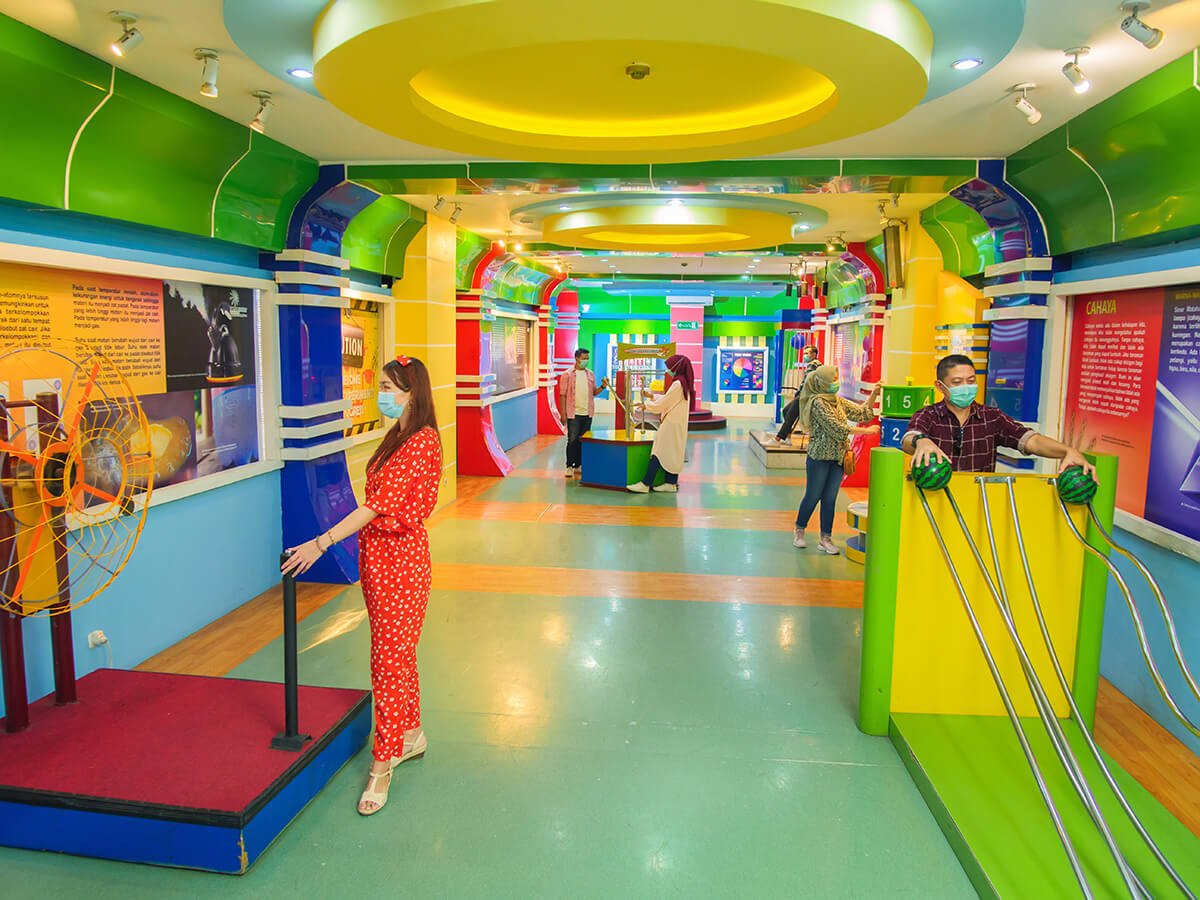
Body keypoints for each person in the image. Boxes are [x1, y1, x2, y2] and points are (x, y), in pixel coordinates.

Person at [281, 355, 441, 817]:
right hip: (380, 560)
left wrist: (321, 542)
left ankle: (383, 763)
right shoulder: (398, 435)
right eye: (383, 387)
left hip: (401, 562)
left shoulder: (422, 442)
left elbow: (375, 506)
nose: (383, 395)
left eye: (390, 387)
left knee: (388, 663)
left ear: (411, 392)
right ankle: (410, 734)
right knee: (396, 653)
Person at [903, 354, 1095, 475]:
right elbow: (909, 438)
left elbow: (1031, 440)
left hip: (980, 503)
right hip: (933, 501)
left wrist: (1067, 451)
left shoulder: (991, 417)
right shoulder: (928, 415)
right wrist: (921, 441)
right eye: (957, 382)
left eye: (971, 381)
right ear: (940, 386)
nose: (966, 387)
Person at [792, 366, 880, 553]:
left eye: (837, 378)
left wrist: (873, 395)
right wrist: (865, 431)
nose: (836, 382)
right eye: (833, 379)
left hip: (838, 457)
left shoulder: (837, 401)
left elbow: (860, 413)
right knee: (813, 495)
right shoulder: (817, 403)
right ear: (822, 382)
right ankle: (799, 530)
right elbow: (836, 427)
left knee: (830, 498)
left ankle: (825, 538)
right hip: (819, 457)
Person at [627, 354, 694, 494]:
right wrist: (652, 396)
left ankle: (645, 484)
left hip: (671, 423)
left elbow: (664, 403)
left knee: (658, 451)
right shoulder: (684, 382)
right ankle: (671, 482)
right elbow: (670, 399)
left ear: (677, 367)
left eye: (670, 367)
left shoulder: (677, 384)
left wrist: (647, 405)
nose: (668, 370)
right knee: (674, 452)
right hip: (677, 423)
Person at [558, 348, 609, 478]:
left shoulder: (590, 374)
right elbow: (562, 395)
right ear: (576, 358)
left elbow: (594, 393)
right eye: (584, 358)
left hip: (587, 413)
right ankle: (569, 465)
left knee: (583, 440)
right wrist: (563, 413)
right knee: (572, 440)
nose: (586, 361)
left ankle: (579, 465)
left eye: (587, 358)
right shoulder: (567, 375)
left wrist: (603, 386)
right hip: (573, 413)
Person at [771, 346, 821, 445]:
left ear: (814, 354)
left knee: (790, 415)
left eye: (807, 353)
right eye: (804, 353)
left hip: (806, 396)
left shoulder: (814, 365)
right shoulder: (811, 365)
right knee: (786, 411)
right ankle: (788, 436)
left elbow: (808, 382)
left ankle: (778, 439)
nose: (805, 356)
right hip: (802, 394)